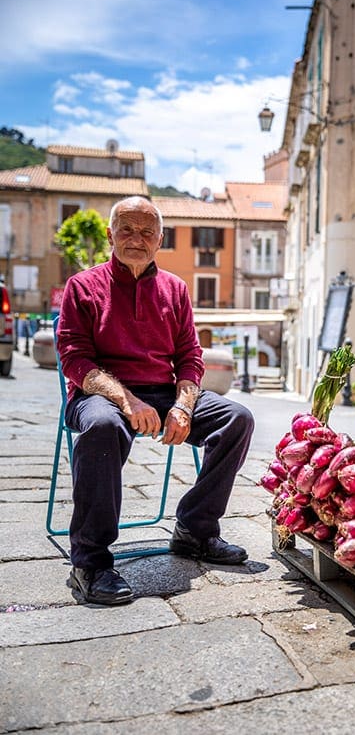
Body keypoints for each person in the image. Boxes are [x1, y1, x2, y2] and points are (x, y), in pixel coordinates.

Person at [56, 196, 254, 606]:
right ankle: (89, 562)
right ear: (110, 235)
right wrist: (127, 400)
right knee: (103, 425)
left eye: (147, 232)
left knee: (236, 418)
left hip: (162, 395)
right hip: (99, 394)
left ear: (160, 240)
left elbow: (189, 358)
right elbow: (75, 361)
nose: (136, 239)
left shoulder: (175, 289)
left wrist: (182, 405)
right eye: (126, 229)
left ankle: (195, 530)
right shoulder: (83, 286)